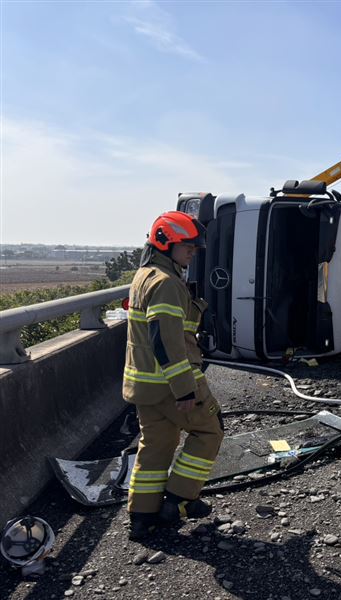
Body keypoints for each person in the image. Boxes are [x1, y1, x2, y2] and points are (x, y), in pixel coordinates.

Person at [123, 211, 224, 541]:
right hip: (171, 383)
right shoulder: (166, 283)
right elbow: (165, 339)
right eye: (188, 247)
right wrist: (185, 389)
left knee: (156, 446)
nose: (193, 253)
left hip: (144, 385)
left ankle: (142, 517)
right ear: (165, 242)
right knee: (209, 430)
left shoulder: (143, 276)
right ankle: (180, 499)